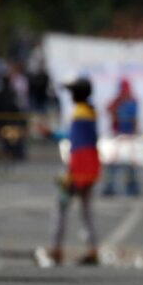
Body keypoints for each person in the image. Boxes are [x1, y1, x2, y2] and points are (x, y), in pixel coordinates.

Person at [50, 78, 101, 266]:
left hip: (77, 171)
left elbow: (77, 148)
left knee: (61, 209)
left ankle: (56, 249)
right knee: (87, 213)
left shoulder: (80, 115)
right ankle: (92, 249)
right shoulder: (90, 112)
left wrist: (71, 174)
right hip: (89, 170)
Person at [103, 79, 141, 196]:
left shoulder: (133, 102)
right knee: (112, 163)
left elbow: (134, 120)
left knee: (130, 164)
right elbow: (109, 110)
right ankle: (110, 187)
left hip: (128, 136)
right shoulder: (117, 101)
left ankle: (133, 187)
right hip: (117, 135)